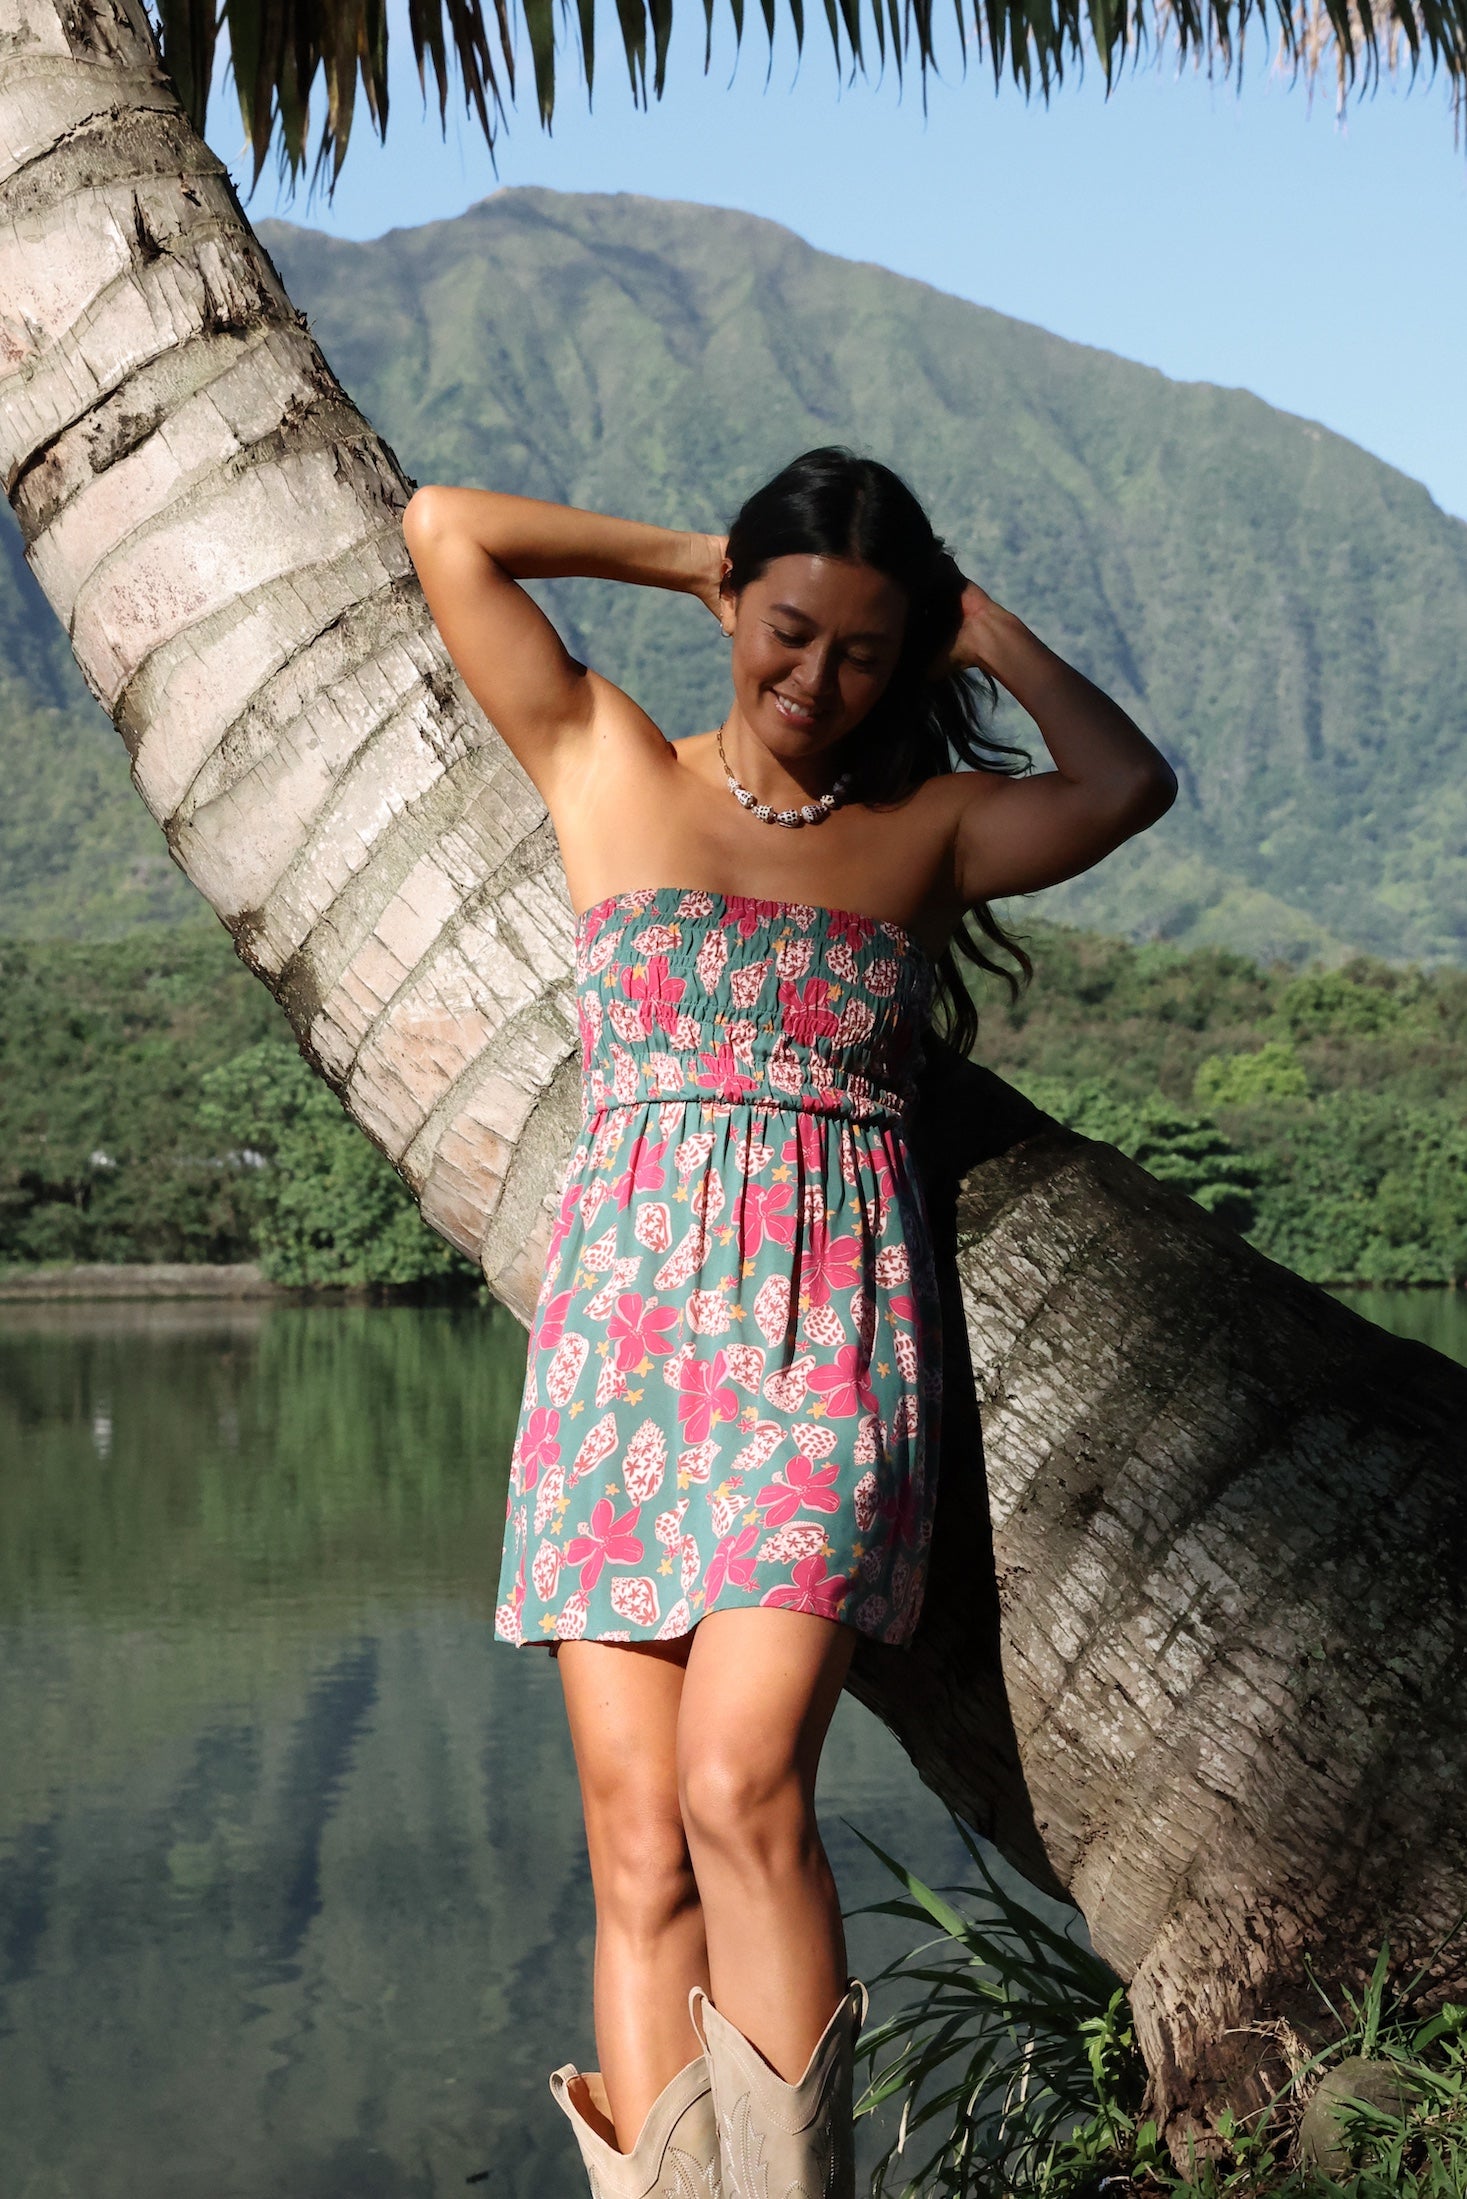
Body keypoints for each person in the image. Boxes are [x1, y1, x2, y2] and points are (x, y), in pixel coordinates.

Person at [403, 447, 1176, 2199]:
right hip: (620, 1363)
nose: (816, 678)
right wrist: (696, 555)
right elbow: (447, 529)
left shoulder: (928, 837)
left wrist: (987, 634)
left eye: (865, 652)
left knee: (744, 1791)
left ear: (909, 669)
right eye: (789, 627)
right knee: (632, 1842)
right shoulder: (603, 763)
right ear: (738, 607)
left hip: (825, 1366)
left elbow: (1126, 783)